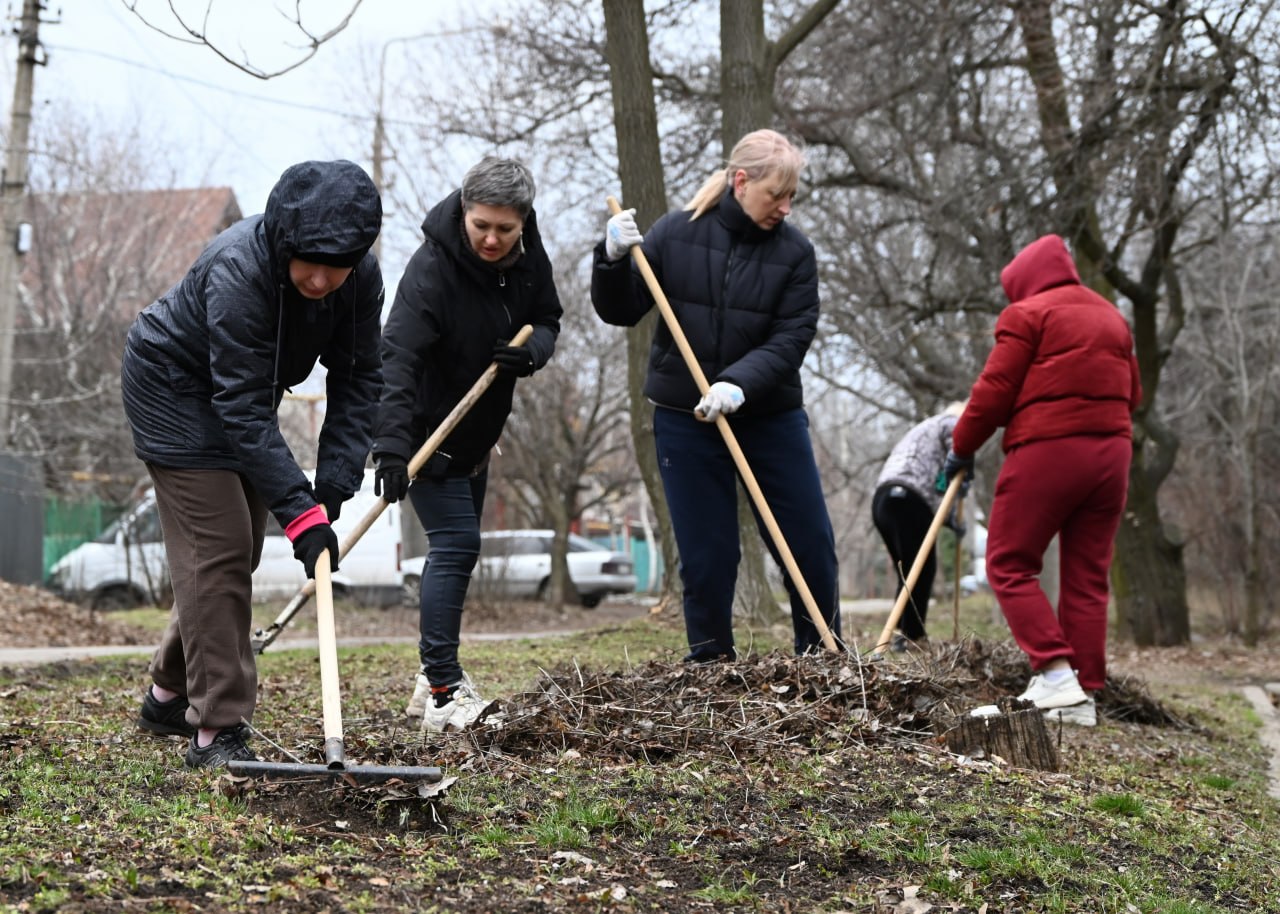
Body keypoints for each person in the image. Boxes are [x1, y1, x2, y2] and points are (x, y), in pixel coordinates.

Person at [123, 159, 385, 767]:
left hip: (241, 395)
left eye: (336, 266)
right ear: (284, 242)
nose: (320, 279)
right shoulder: (240, 268)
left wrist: (332, 487)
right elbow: (240, 406)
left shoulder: (360, 279)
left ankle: (168, 694)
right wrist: (299, 515)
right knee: (218, 548)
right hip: (172, 388)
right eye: (308, 262)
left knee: (232, 552)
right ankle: (216, 727)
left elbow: (359, 378)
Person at [591, 128, 841, 662]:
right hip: (685, 419)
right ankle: (710, 665)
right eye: (777, 195)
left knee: (808, 544)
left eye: (792, 196)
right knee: (708, 555)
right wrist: (609, 259)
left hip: (770, 417)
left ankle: (823, 658)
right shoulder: (676, 233)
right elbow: (621, 309)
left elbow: (793, 336)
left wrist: (738, 383)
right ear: (741, 181)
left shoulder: (796, 254)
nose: (786, 208)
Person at [372, 156, 562, 732]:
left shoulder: (528, 256)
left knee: (456, 550)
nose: (492, 239)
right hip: (426, 433)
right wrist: (391, 448)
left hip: (478, 434)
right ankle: (443, 690)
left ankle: (426, 681)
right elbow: (397, 359)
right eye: (482, 225)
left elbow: (548, 318)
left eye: (505, 228)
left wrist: (532, 353)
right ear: (463, 209)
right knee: (456, 545)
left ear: (523, 221)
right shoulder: (432, 269)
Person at [945, 234, 1141, 727]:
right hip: (1113, 455)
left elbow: (994, 392)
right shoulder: (1112, 317)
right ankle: (1082, 694)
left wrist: (962, 446)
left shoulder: (1027, 314)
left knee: (1007, 562)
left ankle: (1054, 673)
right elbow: (1134, 394)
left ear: (1024, 283)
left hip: (1049, 451)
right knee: (1087, 577)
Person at [872, 402, 967, 653]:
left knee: (909, 570)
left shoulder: (924, 429)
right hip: (908, 498)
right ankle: (912, 637)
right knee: (921, 569)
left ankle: (901, 633)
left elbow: (939, 485)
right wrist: (966, 463)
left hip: (884, 499)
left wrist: (951, 518)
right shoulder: (951, 423)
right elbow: (959, 454)